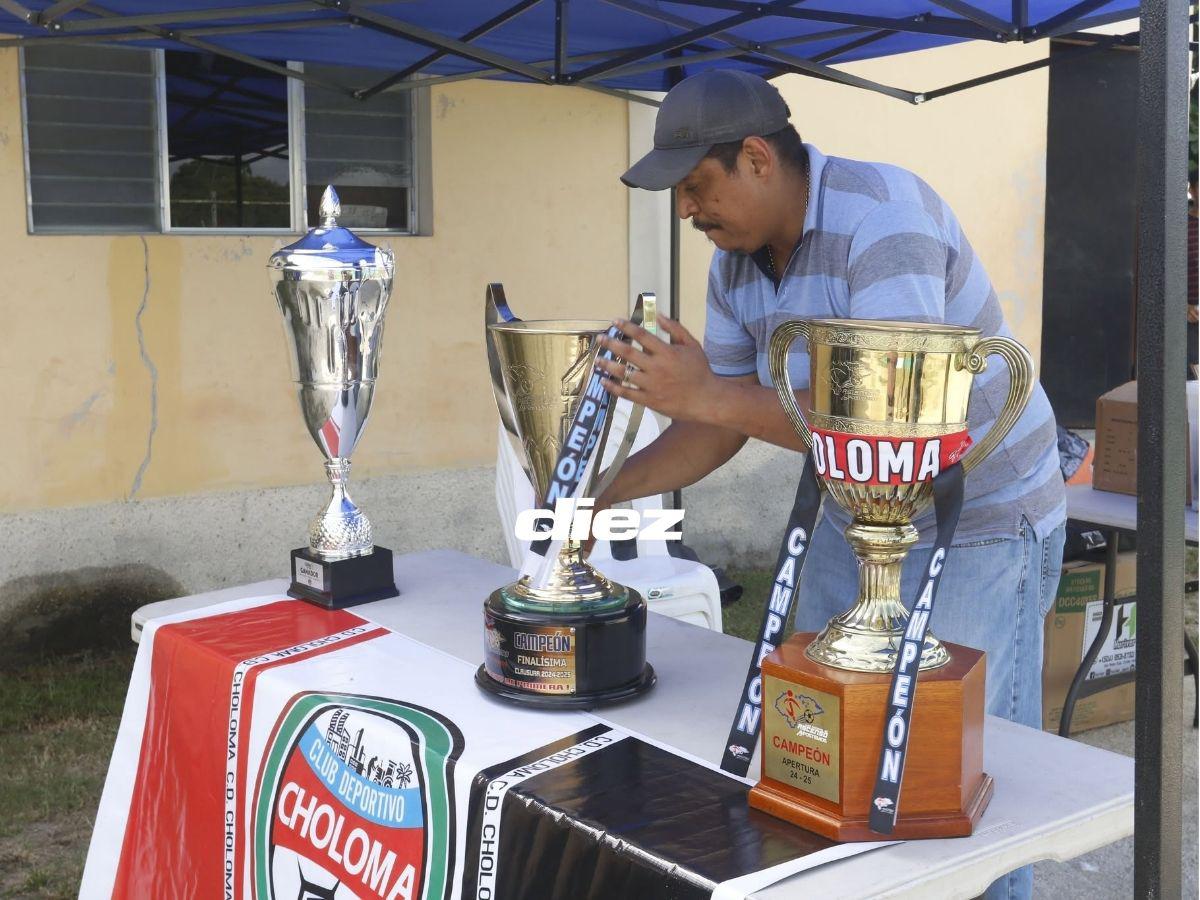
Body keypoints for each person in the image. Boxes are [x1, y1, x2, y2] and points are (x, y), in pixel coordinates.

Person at [594, 70, 1065, 900]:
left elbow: (891, 425)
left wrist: (704, 391)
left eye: (697, 187)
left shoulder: (885, 219)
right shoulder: (737, 263)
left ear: (756, 159)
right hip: (857, 518)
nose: (686, 212)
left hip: (979, 520)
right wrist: (599, 495)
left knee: (958, 781)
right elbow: (720, 420)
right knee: (815, 746)